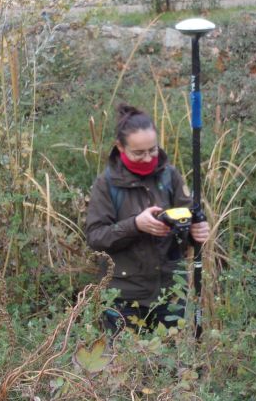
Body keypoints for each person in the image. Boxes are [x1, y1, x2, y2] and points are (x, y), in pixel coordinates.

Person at [85, 103, 210, 334]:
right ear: (120, 147)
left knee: (170, 366)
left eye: (152, 150)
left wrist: (197, 231)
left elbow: (189, 220)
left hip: (171, 292)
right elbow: (95, 237)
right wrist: (135, 225)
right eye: (139, 152)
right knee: (127, 367)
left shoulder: (169, 175)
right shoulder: (106, 184)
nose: (148, 158)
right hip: (123, 297)